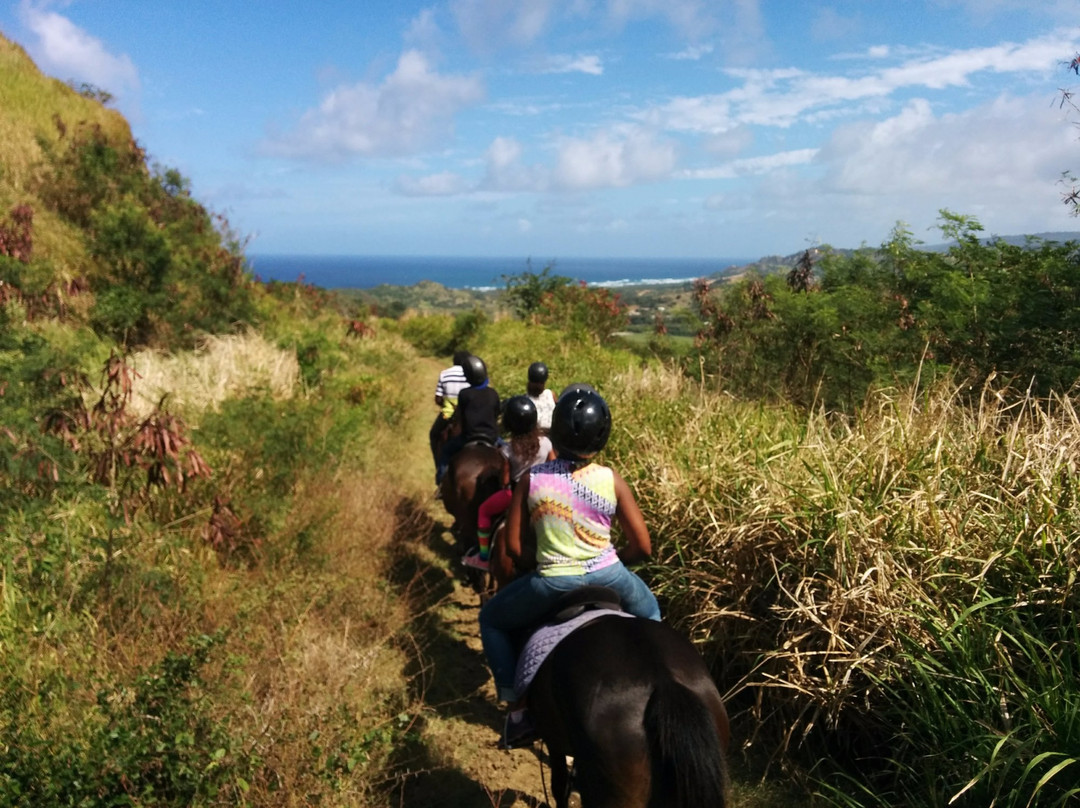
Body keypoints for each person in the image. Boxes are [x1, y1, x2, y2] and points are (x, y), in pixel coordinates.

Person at [478, 388, 661, 748]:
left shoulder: (533, 481)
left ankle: (516, 710)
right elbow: (643, 546)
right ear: (602, 436)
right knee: (652, 614)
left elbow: (514, 547)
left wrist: (540, 563)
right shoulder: (611, 479)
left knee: (492, 620)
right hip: (610, 575)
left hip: (552, 581)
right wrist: (608, 560)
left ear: (556, 432)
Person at [463, 396, 555, 571]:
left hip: (514, 496)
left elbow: (505, 480)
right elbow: (554, 466)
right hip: (542, 494)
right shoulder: (546, 443)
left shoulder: (507, 449)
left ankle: (483, 557)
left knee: (483, 511)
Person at [436, 354, 501, 485]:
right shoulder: (493, 393)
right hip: (492, 438)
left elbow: (460, 419)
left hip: (468, 438)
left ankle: (441, 480)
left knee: (446, 451)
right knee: (509, 455)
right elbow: (496, 415)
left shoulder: (464, 394)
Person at [429, 350, 471, 468]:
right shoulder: (471, 375)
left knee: (434, 434)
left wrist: (446, 403)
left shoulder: (444, 374)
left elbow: (438, 399)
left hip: (447, 415)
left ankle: (438, 465)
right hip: (467, 415)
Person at [526, 362, 556, 432]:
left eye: (540, 383)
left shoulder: (550, 395)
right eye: (535, 383)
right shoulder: (526, 401)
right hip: (537, 436)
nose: (537, 386)